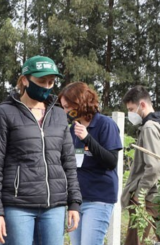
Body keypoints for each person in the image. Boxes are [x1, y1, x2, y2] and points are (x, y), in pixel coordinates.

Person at [0, 56, 82, 244]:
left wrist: (74, 203)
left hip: (54, 206)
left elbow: (69, 162)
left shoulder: (59, 115)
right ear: (25, 80)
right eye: (41, 81)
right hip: (17, 206)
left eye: (51, 82)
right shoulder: (3, 114)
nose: (46, 86)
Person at [59, 82, 123, 245]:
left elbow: (111, 161)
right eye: (64, 107)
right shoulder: (72, 128)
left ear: (80, 104)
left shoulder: (105, 124)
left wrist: (87, 139)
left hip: (98, 198)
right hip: (77, 200)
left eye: (68, 107)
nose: (65, 111)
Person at [121, 85, 160, 245]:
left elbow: (154, 166)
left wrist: (139, 195)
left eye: (131, 109)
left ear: (142, 105)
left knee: (135, 242)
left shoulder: (149, 127)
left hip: (150, 197)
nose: (131, 114)